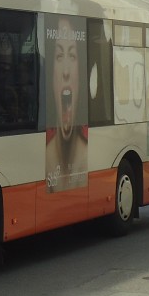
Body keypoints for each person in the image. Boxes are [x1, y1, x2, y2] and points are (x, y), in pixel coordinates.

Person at [44, 15, 88, 191]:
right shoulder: (43, 158)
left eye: (72, 55)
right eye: (59, 56)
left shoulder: (88, 157)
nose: (66, 72)